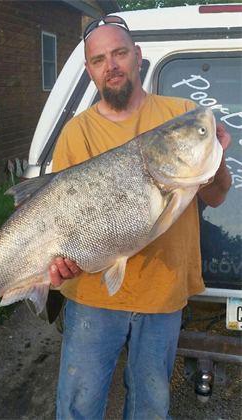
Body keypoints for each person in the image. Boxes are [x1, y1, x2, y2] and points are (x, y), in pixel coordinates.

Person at [48, 16, 232, 420]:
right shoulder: (75, 134)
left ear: (138, 57)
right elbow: (57, 218)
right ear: (89, 70)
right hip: (92, 296)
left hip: (163, 295)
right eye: (99, 59)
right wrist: (57, 261)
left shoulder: (181, 116)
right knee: (78, 407)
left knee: (150, 408)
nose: (111, 65)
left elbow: (216, 197)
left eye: (119, 53)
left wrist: (214, 161)